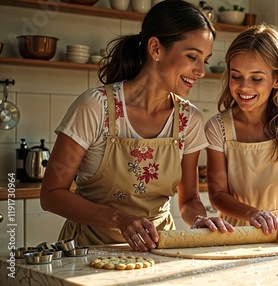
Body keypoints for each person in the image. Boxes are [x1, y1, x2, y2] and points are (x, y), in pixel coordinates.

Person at [40, 0, 233, 252]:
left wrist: (198, 219)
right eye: (192, 57)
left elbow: (189, 200)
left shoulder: (189, 120)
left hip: (160, 250)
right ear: (156, 48)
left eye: (204, 60)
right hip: (87, 250)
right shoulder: (96, 107)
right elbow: (51, 194)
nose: (200, 71)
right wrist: (120, 219)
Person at [204, 24, 278, 245]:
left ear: (276, 80)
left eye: (256, 79)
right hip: (237, 231)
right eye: (236, 76)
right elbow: (217, 194)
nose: (244, 87)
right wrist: (251, 213)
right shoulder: (218, 127)